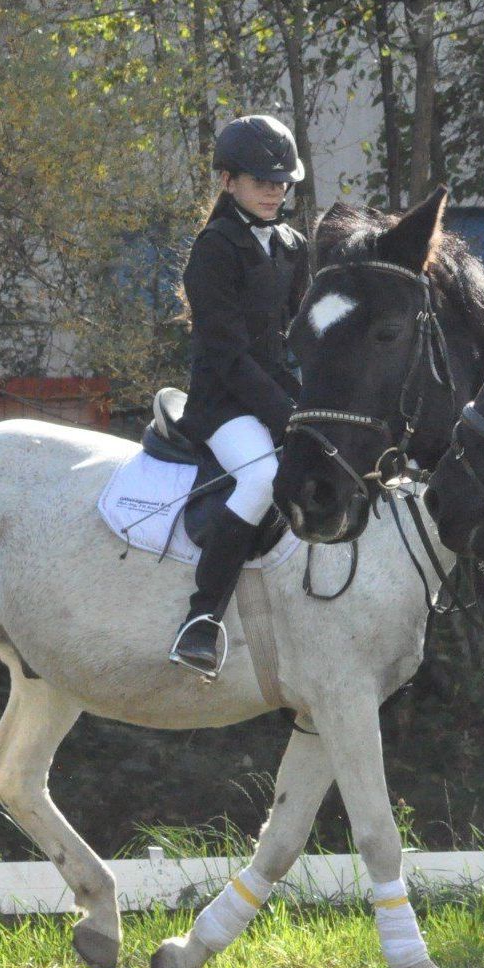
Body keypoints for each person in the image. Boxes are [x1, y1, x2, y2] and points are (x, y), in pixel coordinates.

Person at [169, 114, 310, 678]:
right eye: (262, 181)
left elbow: (298, 335)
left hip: (276, 394)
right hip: (223, 405)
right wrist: (288, 415)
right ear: (228, 181)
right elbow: (227, 357)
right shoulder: (215, 248)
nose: (276, 191)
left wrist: (313, 403)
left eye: (282, 181)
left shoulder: (293, 245)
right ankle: (201, 619)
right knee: (260, 479)